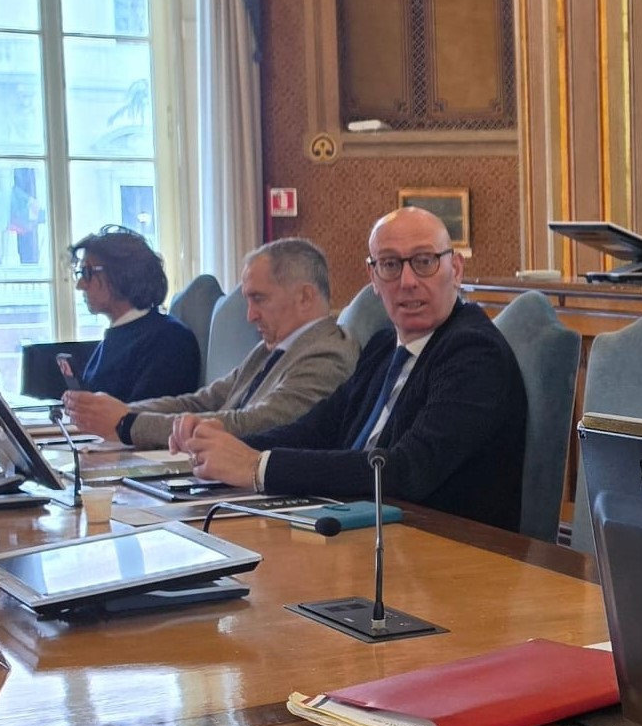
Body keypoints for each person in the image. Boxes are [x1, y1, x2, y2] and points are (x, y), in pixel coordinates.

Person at [181, 208, 527, 531]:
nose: (407, 281)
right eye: (390, 265)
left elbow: (406, 472)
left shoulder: (474, 353)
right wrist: (224, 445)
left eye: (424, 262)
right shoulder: (382, 346)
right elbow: (318, 429)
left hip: (443, 548)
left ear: (456, 270)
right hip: (356, 526)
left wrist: (256, 467)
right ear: (373, 277)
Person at [63, 238, 357, 451]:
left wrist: (128, 423)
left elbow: (256, 424)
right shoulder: (273, 347)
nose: (250, 315)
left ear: (304, 297)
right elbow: (202, 401)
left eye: (259, 299)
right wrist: (118, 411)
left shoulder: (327, 352)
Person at [69, 225, 200, 401]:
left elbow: (144, 420)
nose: (80, 285)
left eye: (87, 273)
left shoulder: (169, 339)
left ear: (121, 274)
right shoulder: (119, 333)